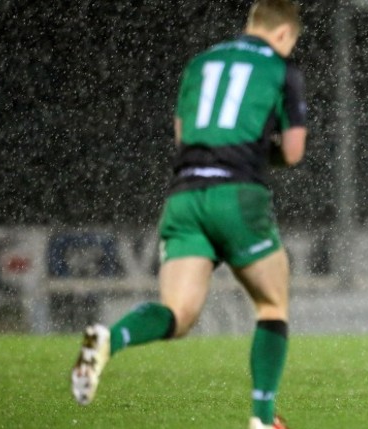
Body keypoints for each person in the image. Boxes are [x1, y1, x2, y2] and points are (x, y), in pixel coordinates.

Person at [71, 1, 306, 428]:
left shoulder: (201, 63)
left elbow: (183, 136)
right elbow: (292, 151)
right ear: (283, 35)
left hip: (185, 195)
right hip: (236, 193)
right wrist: (255, 154)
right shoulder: (280, 68)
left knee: (177, 314)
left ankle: (109, 338)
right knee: (272, 305)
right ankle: (262, 418)